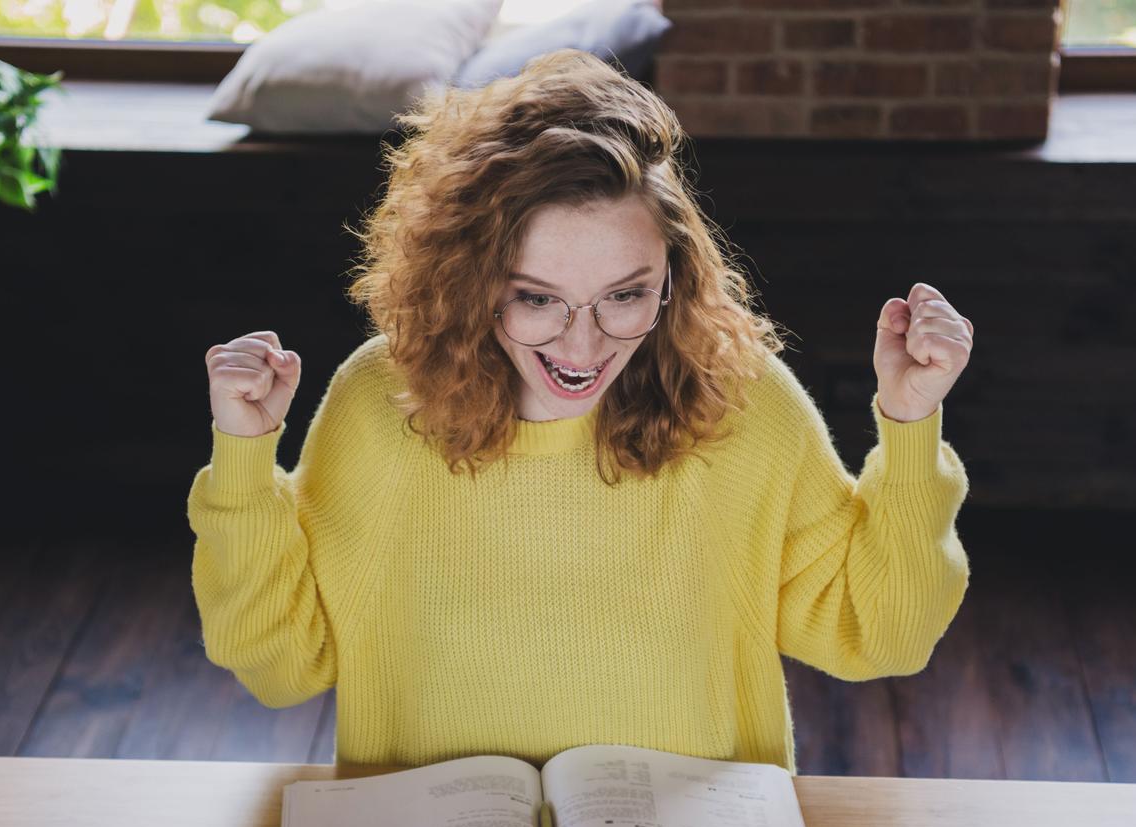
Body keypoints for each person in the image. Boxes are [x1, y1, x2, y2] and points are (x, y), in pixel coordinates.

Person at [190, 49, 974, 774]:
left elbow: (881, 634)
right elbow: (281, 665)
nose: (583, 342)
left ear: (675, 276)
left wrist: (910, 427)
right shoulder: (379, 404)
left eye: (625, 295)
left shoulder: (741, 399)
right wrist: (245, 460)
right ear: (468, 280)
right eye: (537, 298)